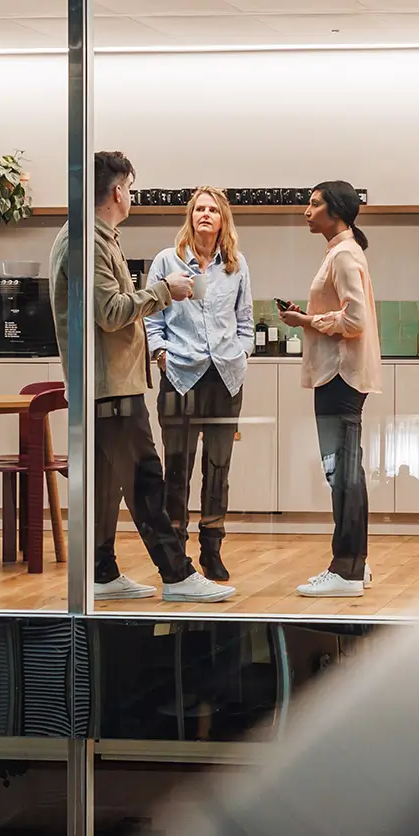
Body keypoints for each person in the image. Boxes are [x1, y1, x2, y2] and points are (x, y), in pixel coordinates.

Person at [48, 151, 236, 604]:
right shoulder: (86, 242)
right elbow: (110, 313)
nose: (130, 195)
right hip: (109, 387)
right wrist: (163, 292)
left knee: (106, 487)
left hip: (111, 383)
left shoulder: (97, 238)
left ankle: (101, 570)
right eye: (129, 188)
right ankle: (177, 575)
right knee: (148, 481)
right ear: (117, 191)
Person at [144, 187, 252, 583]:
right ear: (190, 218)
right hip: (180, 376)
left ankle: (212, 548)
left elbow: (246, 320)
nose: (205, 215)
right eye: (199, 210)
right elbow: (152, 318)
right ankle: (176, 553)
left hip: (225, 377)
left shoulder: (236, 265)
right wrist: (160, 355)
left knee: (218, 468)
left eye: (212, 210)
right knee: (177, 467)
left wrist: (242, 354)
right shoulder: (166, 262)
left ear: (223, 220)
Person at [281, 180, 378, 599]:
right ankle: (357, 563)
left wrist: (306, 322)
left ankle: (347, 569)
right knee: (346, 472)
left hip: (339, 375)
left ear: (335, 210)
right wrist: (313, 317)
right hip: (340, 375)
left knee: (342, 474)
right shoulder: (343, 252)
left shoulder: (342, 255)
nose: (307, 210)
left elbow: (353, 321)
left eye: (315, 204)